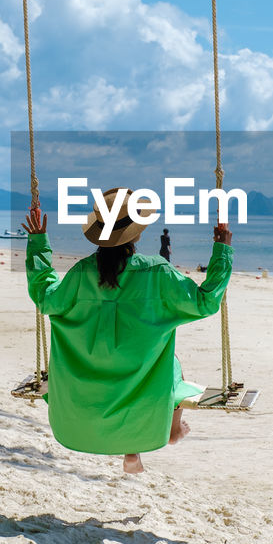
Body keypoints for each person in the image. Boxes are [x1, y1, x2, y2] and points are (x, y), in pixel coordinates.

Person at [23, 188, 233, 475]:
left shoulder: (82, 272)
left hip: (83, 401)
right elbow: (206, 301)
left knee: (130, 361)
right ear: (136, 233)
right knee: (169, 365)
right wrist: (222, 250)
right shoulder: (155, 273)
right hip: (139, 391)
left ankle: (131, 446)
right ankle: (165, 432)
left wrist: (37, 244)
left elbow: (45, 295)